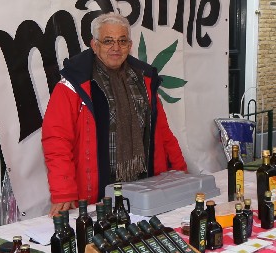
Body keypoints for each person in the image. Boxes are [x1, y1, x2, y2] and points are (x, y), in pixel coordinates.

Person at [42, 12, 187, 215]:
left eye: (122, 41)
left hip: (146, 190)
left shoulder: (144, 81)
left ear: (130, 45)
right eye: (108, 41)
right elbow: (57, 141)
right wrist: (63, 192)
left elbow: (162, 132)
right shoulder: (73, 85)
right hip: (96, 198)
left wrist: (180, 173)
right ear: (94, 45)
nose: (116, 48)